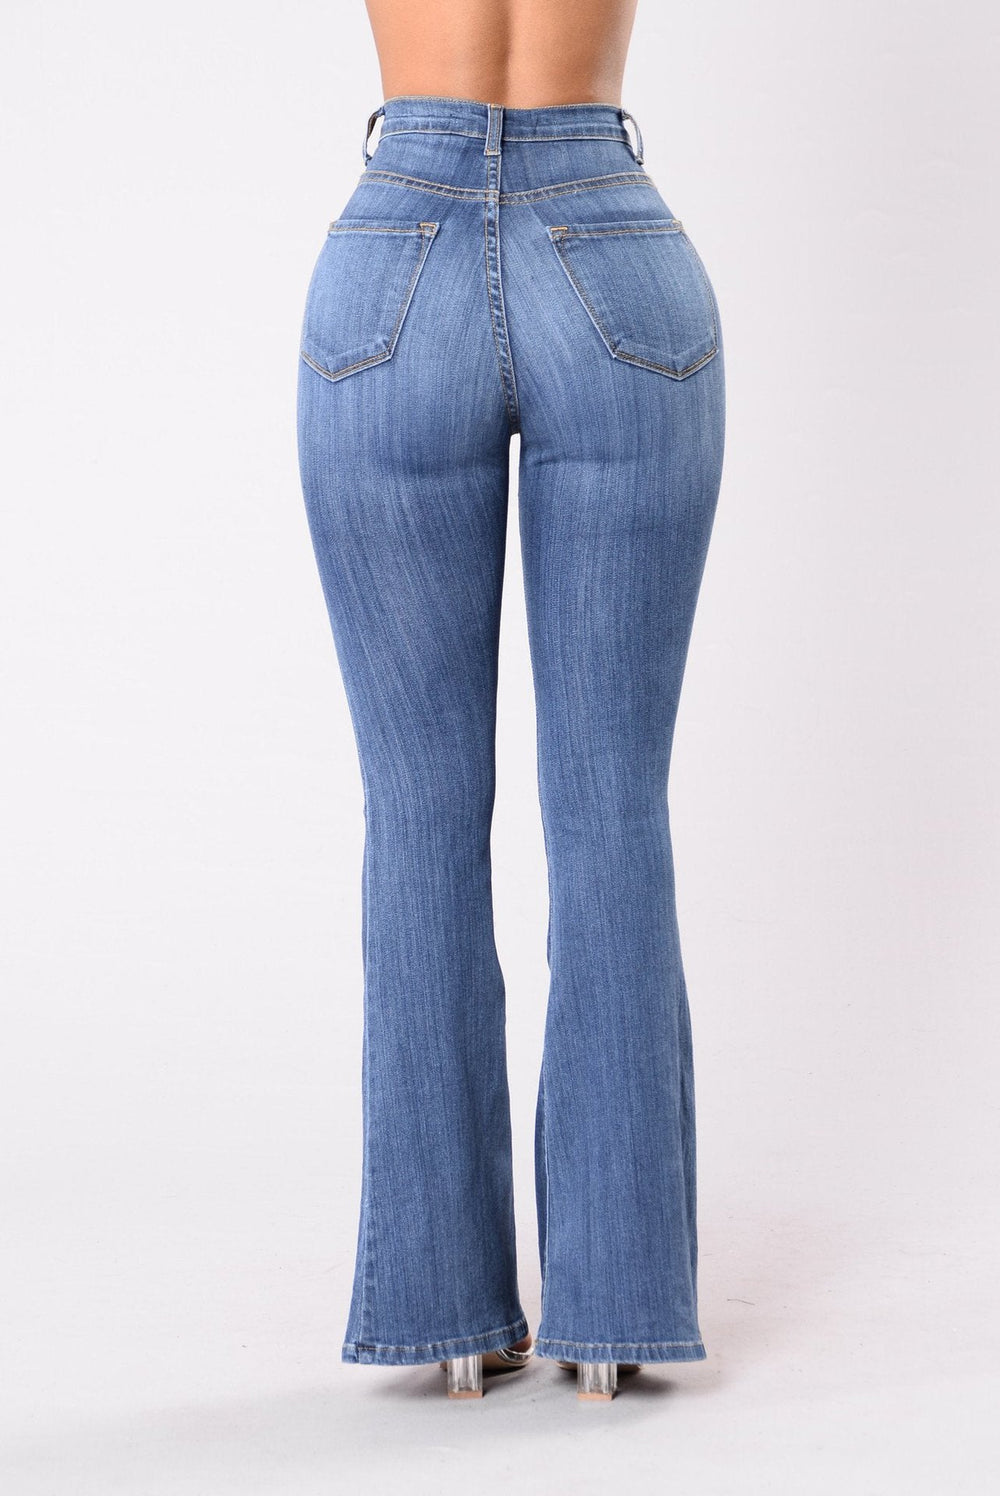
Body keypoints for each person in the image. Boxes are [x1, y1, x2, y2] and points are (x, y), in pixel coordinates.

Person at [296, 0, 725, 1402]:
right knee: (613, 809)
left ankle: (443, 1314)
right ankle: (616, 1312)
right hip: (613, 249)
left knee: (417, 815)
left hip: (393, 262)